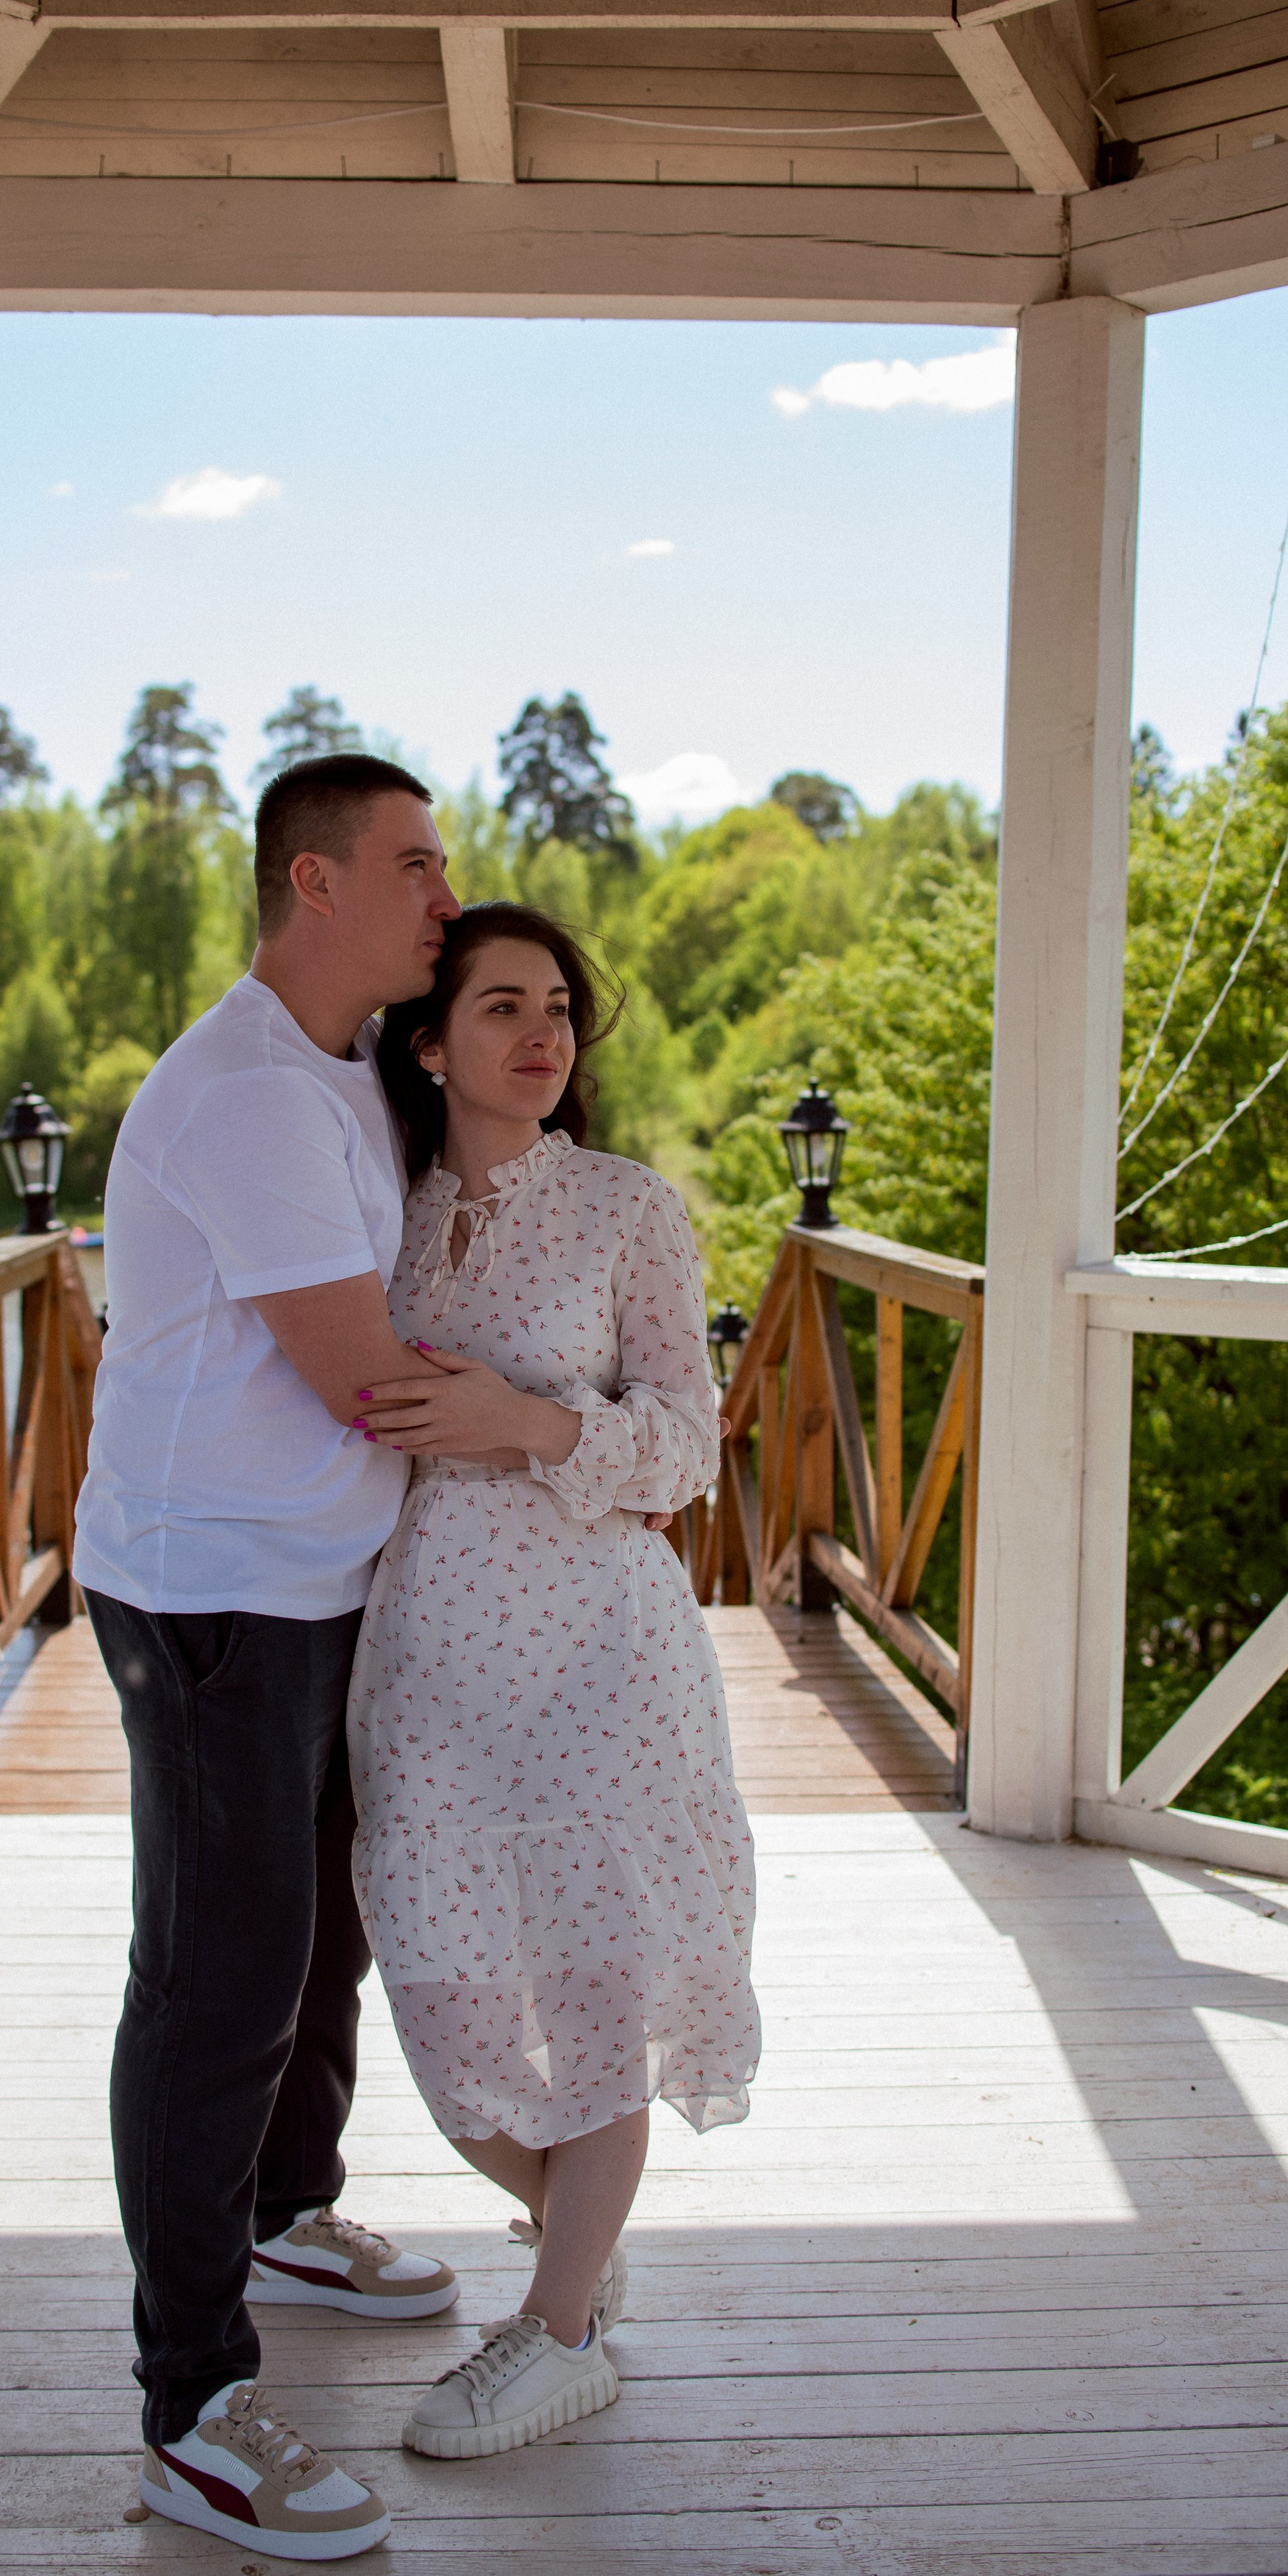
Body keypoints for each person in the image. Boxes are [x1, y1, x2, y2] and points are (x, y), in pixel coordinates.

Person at [73, 752, 469, 2565]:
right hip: (210, 1590)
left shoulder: (344, 1076)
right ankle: (190, 2406)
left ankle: (283, 2207)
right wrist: (576, 1442)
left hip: (318, 1580)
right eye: (410, 863)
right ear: (310, 883)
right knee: (217, 1976)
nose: (441, 893)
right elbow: (367, 1378)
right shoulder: (241, 1089)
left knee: (323, 1932)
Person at [346, 902, 762, 2459]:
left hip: (600, 1655)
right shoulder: (369, 1200)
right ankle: (582, 2233)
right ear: (431, 1041)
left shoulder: (622, 1208)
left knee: (596, 1996)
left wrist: (524, 1421)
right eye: (501, 1005)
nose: (541, 1034)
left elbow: (683, 1444)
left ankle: (557, 2328)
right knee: (446, 2012)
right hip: (423, 1663)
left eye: (559, 1009)